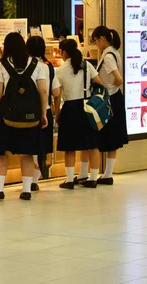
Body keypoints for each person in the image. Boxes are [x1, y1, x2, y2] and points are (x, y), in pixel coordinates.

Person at [0, 32, 49, 201]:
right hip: (30, 117)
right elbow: (43, 90)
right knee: (27, 153)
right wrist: (43, 113)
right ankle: (27, 190)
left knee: (1, 153)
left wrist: (5, 109)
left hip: (7, 115)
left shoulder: (2, 64)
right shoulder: (38, 64)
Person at [54, 39, 105, 189]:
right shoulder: (87, 65)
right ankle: (93, 178)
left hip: (70, 108)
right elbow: (100, 83)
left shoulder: (61, 70)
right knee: (92, 144)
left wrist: (57, 113)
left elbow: (57, 94)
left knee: (69, 146)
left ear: (64, 52)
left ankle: (69, 180)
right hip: (87, 106)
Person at [86, 26, 128, 186]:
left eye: (95, 40)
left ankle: (107, 174)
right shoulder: (114, 52)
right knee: (113, 137)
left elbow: (118, 78)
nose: (95, 43)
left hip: (110, 99)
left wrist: (107, 88)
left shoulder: (108, 56)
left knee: (106, 135)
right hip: (115, 98)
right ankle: (108, 173)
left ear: (102, 38)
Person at [26, 36, 56, 191]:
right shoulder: (47, 66)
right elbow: (53, 91)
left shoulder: (23, 65)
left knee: (29, 146)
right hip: (46, 110)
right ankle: (34, 180)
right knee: (41, 146)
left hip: (28, 111)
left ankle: (28, 180)